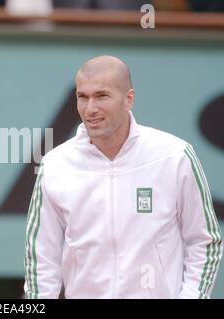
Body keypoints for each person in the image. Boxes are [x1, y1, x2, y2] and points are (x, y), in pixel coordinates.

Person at [24, 55, 222, 299]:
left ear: (129, 99)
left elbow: (205, 241)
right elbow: (42, 256)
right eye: (82, 97)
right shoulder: (55, 165)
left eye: (102, 96)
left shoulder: (175, 155)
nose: (90, 108)